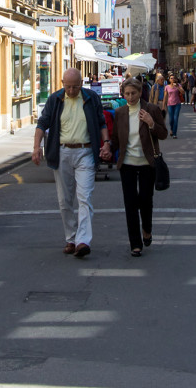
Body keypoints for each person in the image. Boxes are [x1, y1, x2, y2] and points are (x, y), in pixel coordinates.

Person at [32, 68, 113, 258]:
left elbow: (102, 123)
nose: (71, 91)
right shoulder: (55, 99)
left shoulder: (91, 98)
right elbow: (42, 124)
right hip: (62, 152)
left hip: (85, 151)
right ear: (62, 83)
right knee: (64, 200)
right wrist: (36, 147)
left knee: (85, 197)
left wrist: (107, 144)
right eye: (67, 87)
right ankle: (71, 237)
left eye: (75, 87)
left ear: (81, 84)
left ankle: (83, 241)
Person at [113, 78, 168, 256]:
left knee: (145, 200)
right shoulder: (120, 112)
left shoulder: (151, 109)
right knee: (130, 204)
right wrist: (106, 149)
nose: (130, 97)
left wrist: (151, 123)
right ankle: (135, 244)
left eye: (133, 93)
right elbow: (116, 139)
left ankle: (147, 229)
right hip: (127, 163)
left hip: (147, 163)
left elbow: (163, 134)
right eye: (127, 94)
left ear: (140, 93)